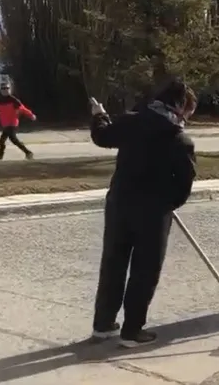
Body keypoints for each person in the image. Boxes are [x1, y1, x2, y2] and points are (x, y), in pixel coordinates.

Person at [89, 80, 197, 348]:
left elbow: (103, 137)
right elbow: (184, 183)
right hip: (153, 212)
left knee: (113, 263)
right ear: (181, 107)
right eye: (190, 112)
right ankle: (132, 331)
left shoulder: (132, 121)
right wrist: (168, 203)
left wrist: (99, 116)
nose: (189, 119)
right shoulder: (179, 139)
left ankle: (103, 324)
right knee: (145, 271)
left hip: (119, 205)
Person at [0, 83, 36, 160]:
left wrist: (31, 115)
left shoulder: (14, 101)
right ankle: (27, 153)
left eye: (7, 88)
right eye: (3, 88)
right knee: (5, 141)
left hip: (13, 123)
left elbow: (23, 109)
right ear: (1, 90)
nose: (6, 90)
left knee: (10, 140)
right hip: (5, 124)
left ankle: (0, 158)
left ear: (10, 90)